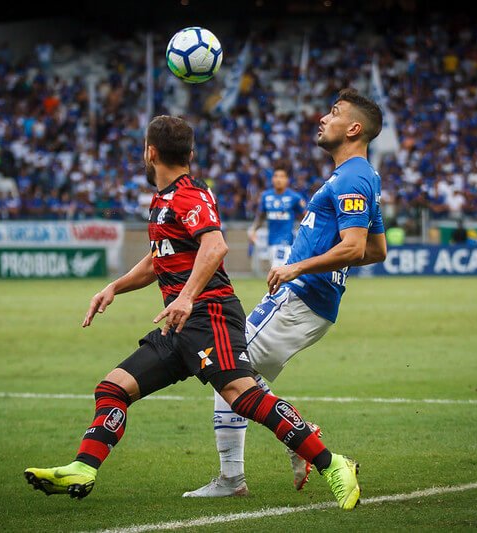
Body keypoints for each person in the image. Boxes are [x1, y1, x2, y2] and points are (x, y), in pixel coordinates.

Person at [24, 115, 361, 510]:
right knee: (113, 388)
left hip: (210, 315)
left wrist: (184, 296)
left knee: (242, 395)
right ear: (190, 152)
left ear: (150, 152)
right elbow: (157, 260)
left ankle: (331, 463)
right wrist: (114, 287)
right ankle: (84, 466)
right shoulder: (164, 199)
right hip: (180, 325)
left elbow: (215, 247)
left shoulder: (189, 195)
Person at [184, 88, 387, 498]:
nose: (322, 118)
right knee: (243, 381)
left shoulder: (353, 176)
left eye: (333, 113)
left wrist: (297, 267)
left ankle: (237, 477)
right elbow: (376, 250)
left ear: (353, 128)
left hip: (298, 297)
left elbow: (353, 246)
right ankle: (297, 440)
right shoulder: (359, 176)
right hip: (309, 301)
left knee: (229, 374)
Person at [248, 164, 307, 268]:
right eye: (276, 176)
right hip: (271, 242)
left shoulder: (295, 197)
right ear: (272, 179)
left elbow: (306, 217)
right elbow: (261, 217)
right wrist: (253, 230)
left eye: (282, 176)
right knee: (277, 273)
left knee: (278, 272)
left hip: (286, 242)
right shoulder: (266, 196)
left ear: (287, 180)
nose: (278, 179)